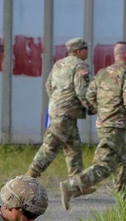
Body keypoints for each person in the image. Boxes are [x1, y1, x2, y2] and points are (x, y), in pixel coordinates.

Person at [60, 40, 126, 209]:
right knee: (105, 165)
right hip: (116, 126)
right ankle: (71, 186)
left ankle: (124, 197)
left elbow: (90, 95)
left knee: (121, 161)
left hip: (104, 124)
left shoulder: (103, 73)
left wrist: (102, 111)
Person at [27, 37, 93, 179]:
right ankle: (29, 176)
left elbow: (48, 85)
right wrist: (92, 107)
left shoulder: (58, 64)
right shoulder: (80, 66)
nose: (88, 52)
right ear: (79, 51)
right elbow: (82, 91)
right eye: (86, 49)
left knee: (73, 148)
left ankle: (76, 183)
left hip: (58, 111)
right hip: (66, 114)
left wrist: (56, 103)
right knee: (51, 145)